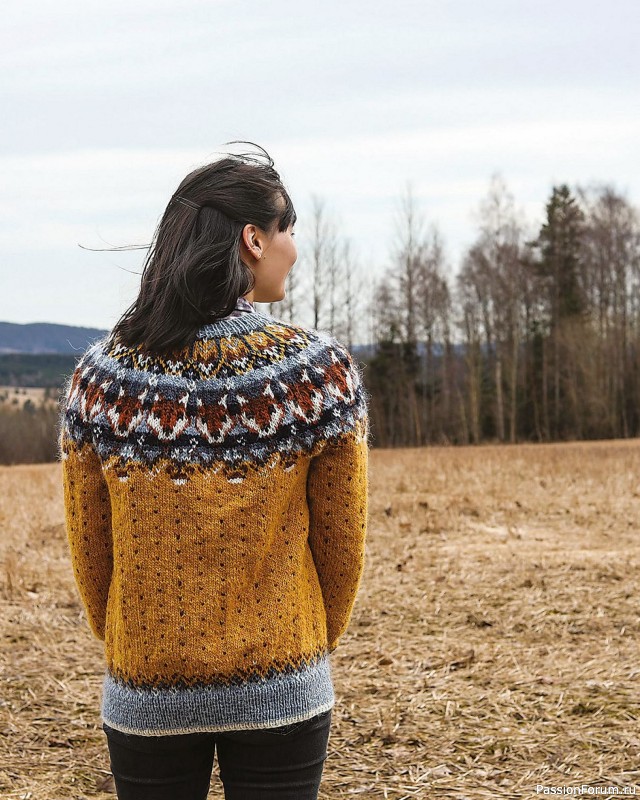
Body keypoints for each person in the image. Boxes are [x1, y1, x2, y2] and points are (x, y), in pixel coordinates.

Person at [57, 141, 370, 800]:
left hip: (146, 689)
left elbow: (92, 552)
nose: (293, 249)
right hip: (285, 684)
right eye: (288, 231)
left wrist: (139, 647)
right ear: (254, 239)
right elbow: (341, 548)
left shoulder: (101, 381)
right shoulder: (316, 375)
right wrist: (307, 643)